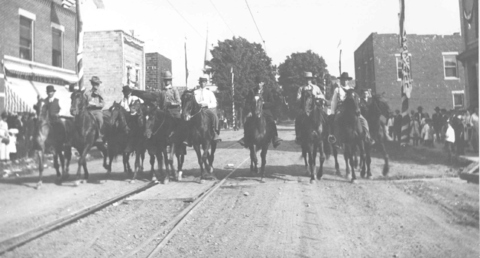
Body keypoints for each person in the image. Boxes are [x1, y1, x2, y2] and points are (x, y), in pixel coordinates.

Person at [238, 76, 283, 148]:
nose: (259, 84)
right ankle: (245, 138)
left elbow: (272, 102)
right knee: (247, 123)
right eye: (257, 83)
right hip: (253, 111)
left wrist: (264, 103)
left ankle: (275, 138)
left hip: (265, 111)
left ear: (263, 83)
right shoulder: (252, 91)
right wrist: (249, 111)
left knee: (271, 122)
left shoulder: (267, 91)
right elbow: (247, 103)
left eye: (260, 83)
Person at [329, 72, 373, 145]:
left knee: (364, 121)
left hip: (352, 110)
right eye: (343, 79)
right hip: (341, 109)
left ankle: (367, 137)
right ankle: (335, 139)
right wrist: (333, 112)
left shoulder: (352, 89)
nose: (345, 81)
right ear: (341, 80)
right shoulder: (337, 89)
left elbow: (357, 99)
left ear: (348, 81)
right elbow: (334, 101)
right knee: (336, 120)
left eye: (346, 80)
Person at [294, 71, 325, 144]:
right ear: (304, 80)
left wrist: (316, 96)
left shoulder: (316, 88)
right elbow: (297, 99)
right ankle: (298, 135)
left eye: (309, 79)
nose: (308, 80)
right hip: (304, 108)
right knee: (297, 119)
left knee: (324, 117)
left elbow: (322, 96)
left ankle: (326, 134)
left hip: (315, 107)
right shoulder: (301, 88)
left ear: (311, 79)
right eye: (307, 79)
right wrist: (303, 98)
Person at [189, 76, 221, 142]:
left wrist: (207, 105)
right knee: (188, 119)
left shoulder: (210, 93)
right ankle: (188, 136)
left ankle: (215, 132)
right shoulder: (195, 92)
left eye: (204, 82)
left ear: (206, 83)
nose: (202, 84)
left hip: (206, 109)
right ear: (199, 83)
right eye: (201, 82)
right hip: (196, 110)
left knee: (215, 116)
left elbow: (214, 103)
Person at [85, 76, 105, 142]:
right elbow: (84, 103)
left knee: (100, 120)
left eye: (97, 84)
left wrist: (96, 105)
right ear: (92, 84)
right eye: (95, 84)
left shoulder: (100, 93)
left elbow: (103, 104)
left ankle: (100, 135)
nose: (96, 85)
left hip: (97, 110)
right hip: (89, 110)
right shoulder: (87, 93)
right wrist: (88, 105)